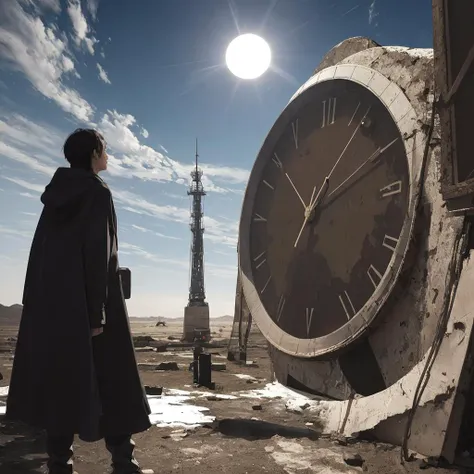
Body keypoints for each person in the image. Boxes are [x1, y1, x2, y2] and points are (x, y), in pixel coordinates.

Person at [5, 129, 151, 474]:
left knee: (60, 382)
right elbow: (97, 252)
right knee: (114, 379)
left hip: (53, 306)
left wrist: (38, 304)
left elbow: (39, 253)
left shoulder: (55, 195)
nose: (108, 156)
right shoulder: (97, 193)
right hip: (94, 303)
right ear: (94, 153)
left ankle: (59, 464)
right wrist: (97, 311)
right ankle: (123, 462)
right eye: (106, 150)